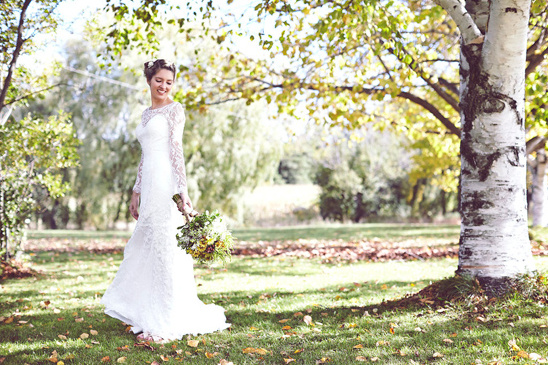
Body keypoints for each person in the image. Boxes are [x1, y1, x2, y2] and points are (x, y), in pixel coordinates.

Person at [101, 59, 230, 343]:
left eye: (169, 82)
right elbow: (145, 156)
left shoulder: (175, 110)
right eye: (159, 80)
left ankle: (164, 322)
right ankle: (146, 310)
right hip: (148, 185)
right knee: (148, 245)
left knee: (165, 247)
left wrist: (182, 190)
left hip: (166, 184)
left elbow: (176, 151)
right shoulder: (146, 114)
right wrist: (136, 191)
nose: (164, 86)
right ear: (149, 80)